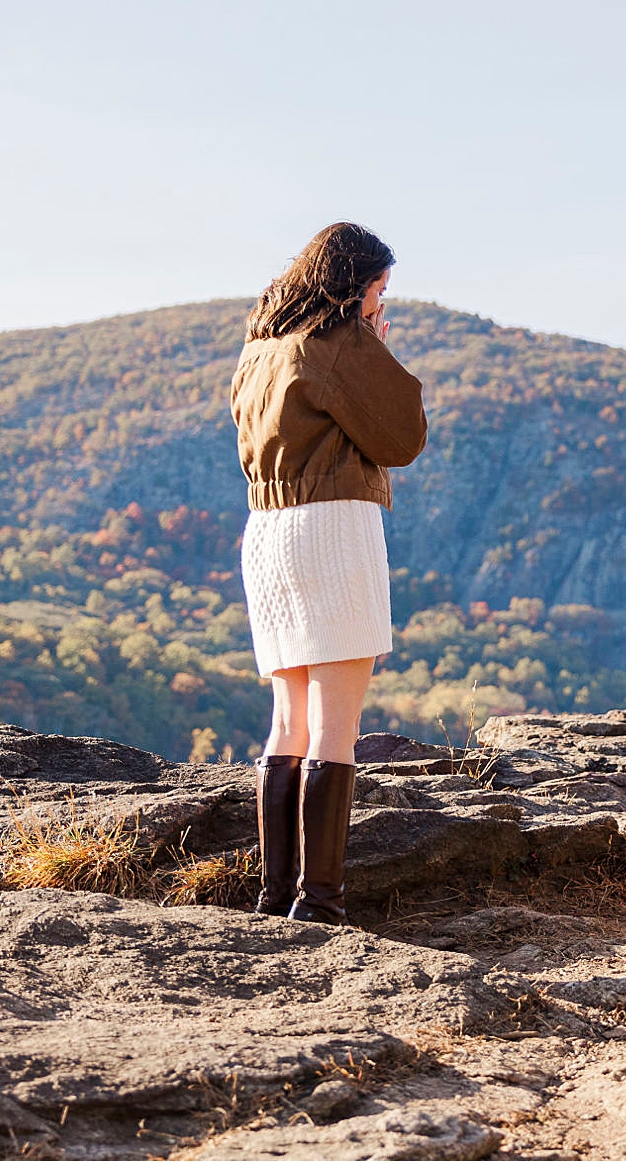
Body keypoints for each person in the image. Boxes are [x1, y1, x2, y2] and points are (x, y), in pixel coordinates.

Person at [230, 221, 426, 924]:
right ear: (356, 285)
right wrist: (374, 338)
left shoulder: (259, 351)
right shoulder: (338, 343)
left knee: (288, 718)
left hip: (268, 531)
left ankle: (273, 892)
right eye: (379, 290)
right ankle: (320, 900)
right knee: (336, 723)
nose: (381, 302)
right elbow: (403, 435)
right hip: (333, 524)